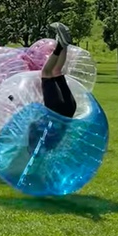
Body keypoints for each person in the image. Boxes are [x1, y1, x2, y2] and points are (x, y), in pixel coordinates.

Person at [26, 22, 77, 155]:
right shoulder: (44, 135)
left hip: (70, 109)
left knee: (56, 71)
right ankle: (60, 45)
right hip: (56, 110)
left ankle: (63, 44)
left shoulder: (54, 141)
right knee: (46, 73)